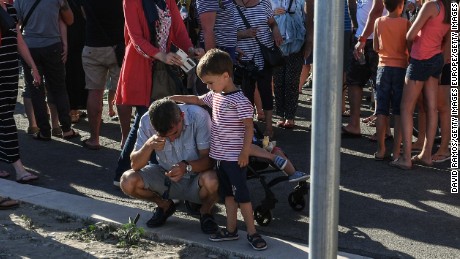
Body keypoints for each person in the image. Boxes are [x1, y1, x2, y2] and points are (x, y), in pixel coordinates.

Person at [170, 49, 268, 251]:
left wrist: (244, 152)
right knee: (228, 197)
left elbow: (249, 127)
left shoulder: (240, 100)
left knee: (243, 197)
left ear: (225, 76)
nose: (208, 87)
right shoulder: (216, 95)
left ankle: (252, 232)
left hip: (234, 159)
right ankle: (231, 230)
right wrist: (173, 98)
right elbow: (197, 99)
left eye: (210, 82)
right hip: (220, 159)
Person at [113, 0, 204, 186]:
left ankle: (124, 171)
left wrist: (190, 49)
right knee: (147, 117)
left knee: (144, 119)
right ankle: (154, 177)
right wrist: (160, 54)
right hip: (141, 67)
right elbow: (136, 38)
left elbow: (178, 30)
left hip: (162, 69)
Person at [120, 98, 219, 234]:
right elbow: (135, 165)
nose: (171, 139)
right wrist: (148, 146)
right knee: (127, 181)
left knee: (214, 179)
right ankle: (164, 205)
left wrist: (186, 166)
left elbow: (210, 161)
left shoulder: (198, 116)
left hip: (196, 177)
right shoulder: (146, 120)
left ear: (182, 117)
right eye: (165, 136)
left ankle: (205, 211)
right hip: (166, 176)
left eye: (174, 133)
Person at [391, 0, 450, 169]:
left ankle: (406, 158)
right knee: (432, 108)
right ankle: (426, 155)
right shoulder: (450, 7)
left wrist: (410, 50)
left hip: (421, 58)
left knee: (406, 108)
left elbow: (410, 34)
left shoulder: (431, 5)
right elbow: (448, 36)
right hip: (436, 58)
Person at [14, 0, 80, 141]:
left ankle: (44, 131)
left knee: (36, 89)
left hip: (29, 47)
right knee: (59, 89)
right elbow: (69, 20)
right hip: (53, 46)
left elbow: (16, 24)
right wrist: (65, 43)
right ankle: (66, 129)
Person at [0, 1, 41, 183]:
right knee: (6, 120)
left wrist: (33, 67)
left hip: (9, 72)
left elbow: (19, 40)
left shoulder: (10, 10)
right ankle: (19, 169)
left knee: (5, 115)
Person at [233, 0, 282, 139]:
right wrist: (244, 33)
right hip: (243, 58)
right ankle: (250, 129)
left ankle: (269, 127)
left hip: (264, 55)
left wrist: (276, 31)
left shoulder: (264, 3)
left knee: (266, 90)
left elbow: (272, 23)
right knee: (246, 95)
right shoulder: (230, 5)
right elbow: (225, 33)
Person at [80, 0, 124, 150]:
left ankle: (94, 139)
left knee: (94, 92)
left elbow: (84, 14)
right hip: (118, 47)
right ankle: (125, 138)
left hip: (93, 45)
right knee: (122, 93)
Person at [372, 0, 410, 161]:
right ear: (401, 5)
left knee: (381, 110)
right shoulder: (406, 23)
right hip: (401, 68)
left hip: (383, 68)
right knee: (399, 111)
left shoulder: (378, 22)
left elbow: (375, 46)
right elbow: (409, 46)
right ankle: (396, 151)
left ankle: (381, 149)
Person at [341, 0, 385, 138]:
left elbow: (378, 8)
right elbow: (353, 5)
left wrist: (364, 37)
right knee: (354, 81)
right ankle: (354, 124)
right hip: (362, 37)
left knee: (381, 84)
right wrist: (358, 30)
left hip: (376, 39)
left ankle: (383, 130)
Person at [271, 0, 306, 129]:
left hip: (297, 42)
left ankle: (290, 117)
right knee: (278, 81)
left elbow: (307, 18)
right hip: (276, 44)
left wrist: (309, 43)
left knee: (292, 81)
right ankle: (280, 115)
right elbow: (260, 15)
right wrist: (272, 14)